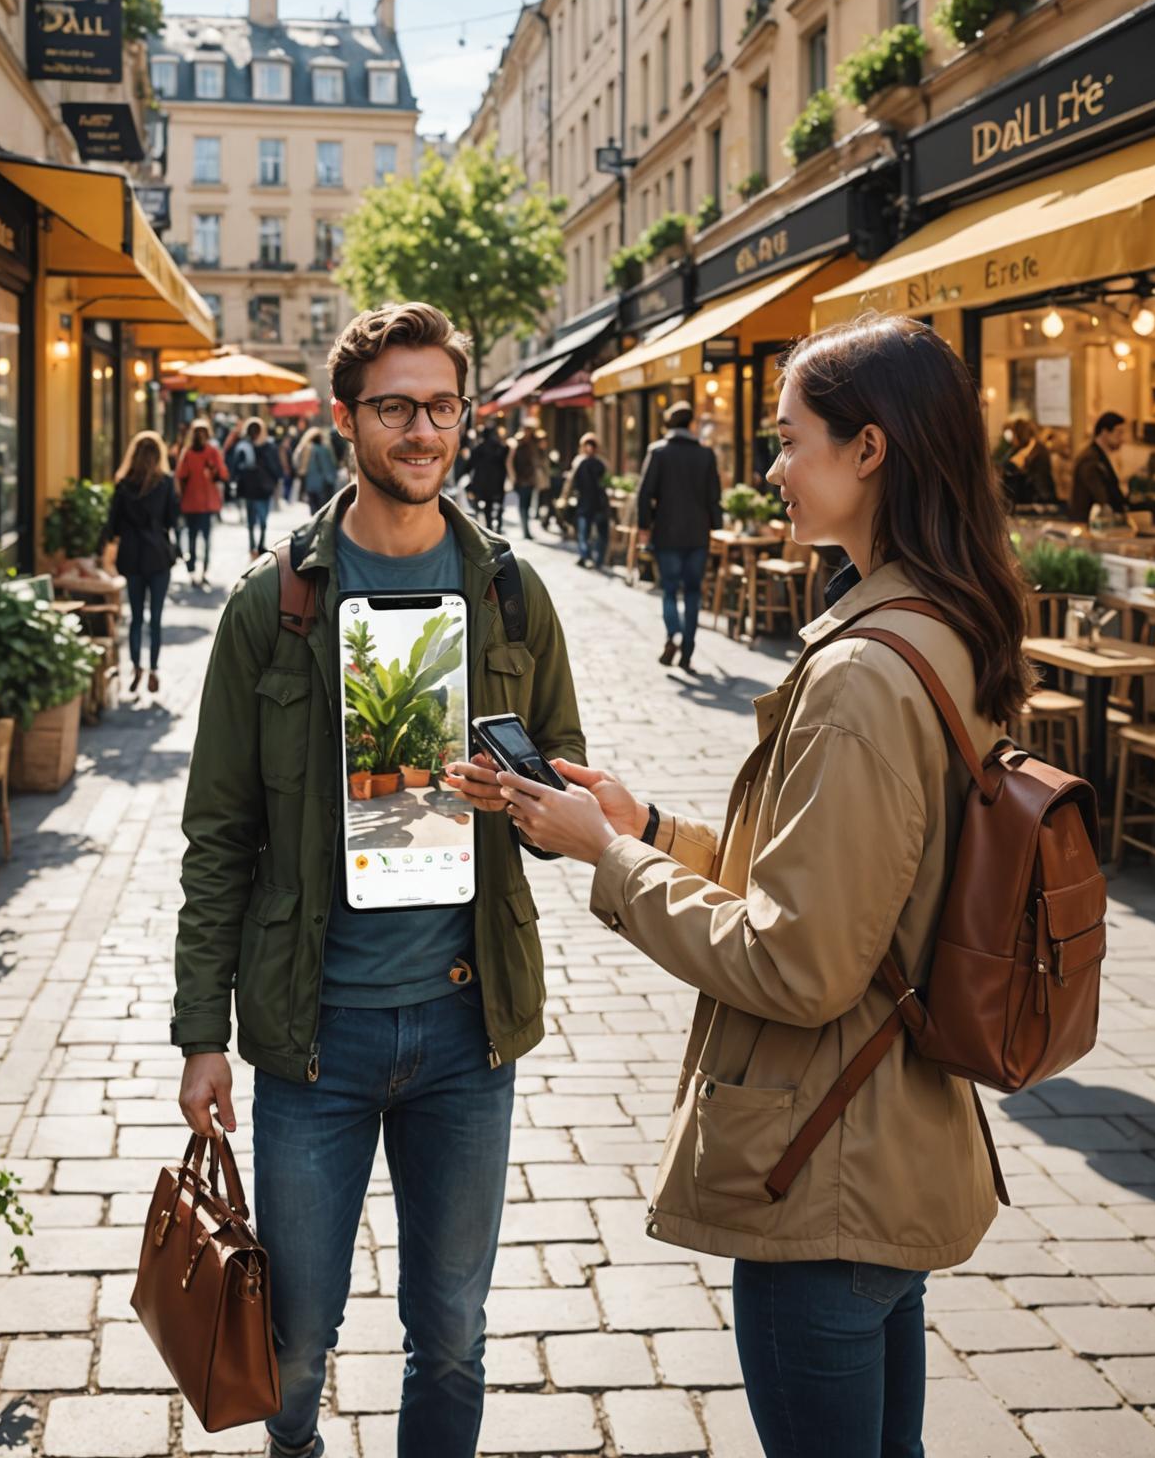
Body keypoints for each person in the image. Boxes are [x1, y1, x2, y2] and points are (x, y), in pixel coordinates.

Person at [495, 315, 1030, 1458]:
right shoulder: (942, 628)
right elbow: (842, 887)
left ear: (869, 449)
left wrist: (610, 857)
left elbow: (800, 962)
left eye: (789, 441)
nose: (771, 470)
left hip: (825, 1175)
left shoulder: (862, 674)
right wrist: (648, 826)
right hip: (891, 1156)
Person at [175, 301, 585, 1458]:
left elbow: (567, 791)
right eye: (396, 407)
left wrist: (536, 806)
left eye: (442, 406)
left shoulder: (510, 591)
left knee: (452, 1329)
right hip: (317, 1036)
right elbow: (218, 837)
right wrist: (203, 1033)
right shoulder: (273, 604)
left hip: (468, 1024)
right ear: (348, 420)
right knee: (297, 1339)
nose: (423, 431)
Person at [637, 401, 722, 672]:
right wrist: (716, 525)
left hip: (667, 533)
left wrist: (644, 525)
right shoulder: (705, 455)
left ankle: (672, 634)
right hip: (697, 534)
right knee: (694, 592)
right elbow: (714, 497)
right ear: (690, 425)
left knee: (670, 589)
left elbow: (644, 493)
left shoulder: (658, 451)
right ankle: (687, 648)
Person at [99, 431, 178, 695]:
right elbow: (171, 520)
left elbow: (112, 527)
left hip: (132, 557)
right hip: (157, 556)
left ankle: (136, 666)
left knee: (135, 617)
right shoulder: (165, 483)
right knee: (156, 618)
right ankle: (154, 668)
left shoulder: (123, 486)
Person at [174, 419, 227, 587]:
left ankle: (203, 571)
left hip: (206, 504)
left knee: (204, 539)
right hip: (192, 503)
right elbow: (180, 476)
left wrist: (213, 471)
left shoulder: (211, 452)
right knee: (193, 538)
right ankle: (192, 570)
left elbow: (223, 474)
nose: (200, 436)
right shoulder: (188, 453)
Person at [232, 417, 285, 557]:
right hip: (251, 488)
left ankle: (260, 543)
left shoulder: (269, 446)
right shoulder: (244, 446)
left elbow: (275, 465)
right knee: (252, 520)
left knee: (262, 520)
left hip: (263, 489)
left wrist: (276, 479)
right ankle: (253, 545)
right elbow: (236, 466)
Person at [1068, 410, 1129, 521]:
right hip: (1089, 524)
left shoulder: (1098, 455)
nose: (1122, 439)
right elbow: (1101, 497)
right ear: (1104, 432)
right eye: (1119, 433)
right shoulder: (1090, 459)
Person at [999, 416, 1058, 510]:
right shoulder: (1037, 449)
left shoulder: (1030, 452)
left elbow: (1008, 469)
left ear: (1017, 434)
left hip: (1033, 504)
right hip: (1040, 501)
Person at [570, 433, 609, 568]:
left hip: (588, 503)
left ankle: (587, 557)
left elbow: (572, 483)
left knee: (585, 533)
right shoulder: (601, 463)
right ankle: (592, 558)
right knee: (595, 533)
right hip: (597, 503)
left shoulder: (580, 462)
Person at [465, 424, 509, 531]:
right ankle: (497, 526)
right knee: (497, 504)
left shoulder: (478, 449)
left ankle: (485, 527)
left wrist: (461, 476)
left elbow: (469, 465)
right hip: (497, 482)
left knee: (483, 506)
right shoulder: (501, 448)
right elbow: (505, 465)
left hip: (481, 482)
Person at [295, 425, 340, 513]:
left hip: (309, 484)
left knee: (313, 511)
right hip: (322, 484)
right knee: (322, 510)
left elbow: (296, 463)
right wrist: (332, 479)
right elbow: (327, 466)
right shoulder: (322, 449)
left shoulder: (302, 449)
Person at [510, 424, 542, 539]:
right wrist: (514, 478)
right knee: (523, 506)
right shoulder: (519, 444)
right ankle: (525, 530)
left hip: (530, 480)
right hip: (522, 480)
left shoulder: (533, 443)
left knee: (527, 506)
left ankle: (526, 529)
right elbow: (512, 462)